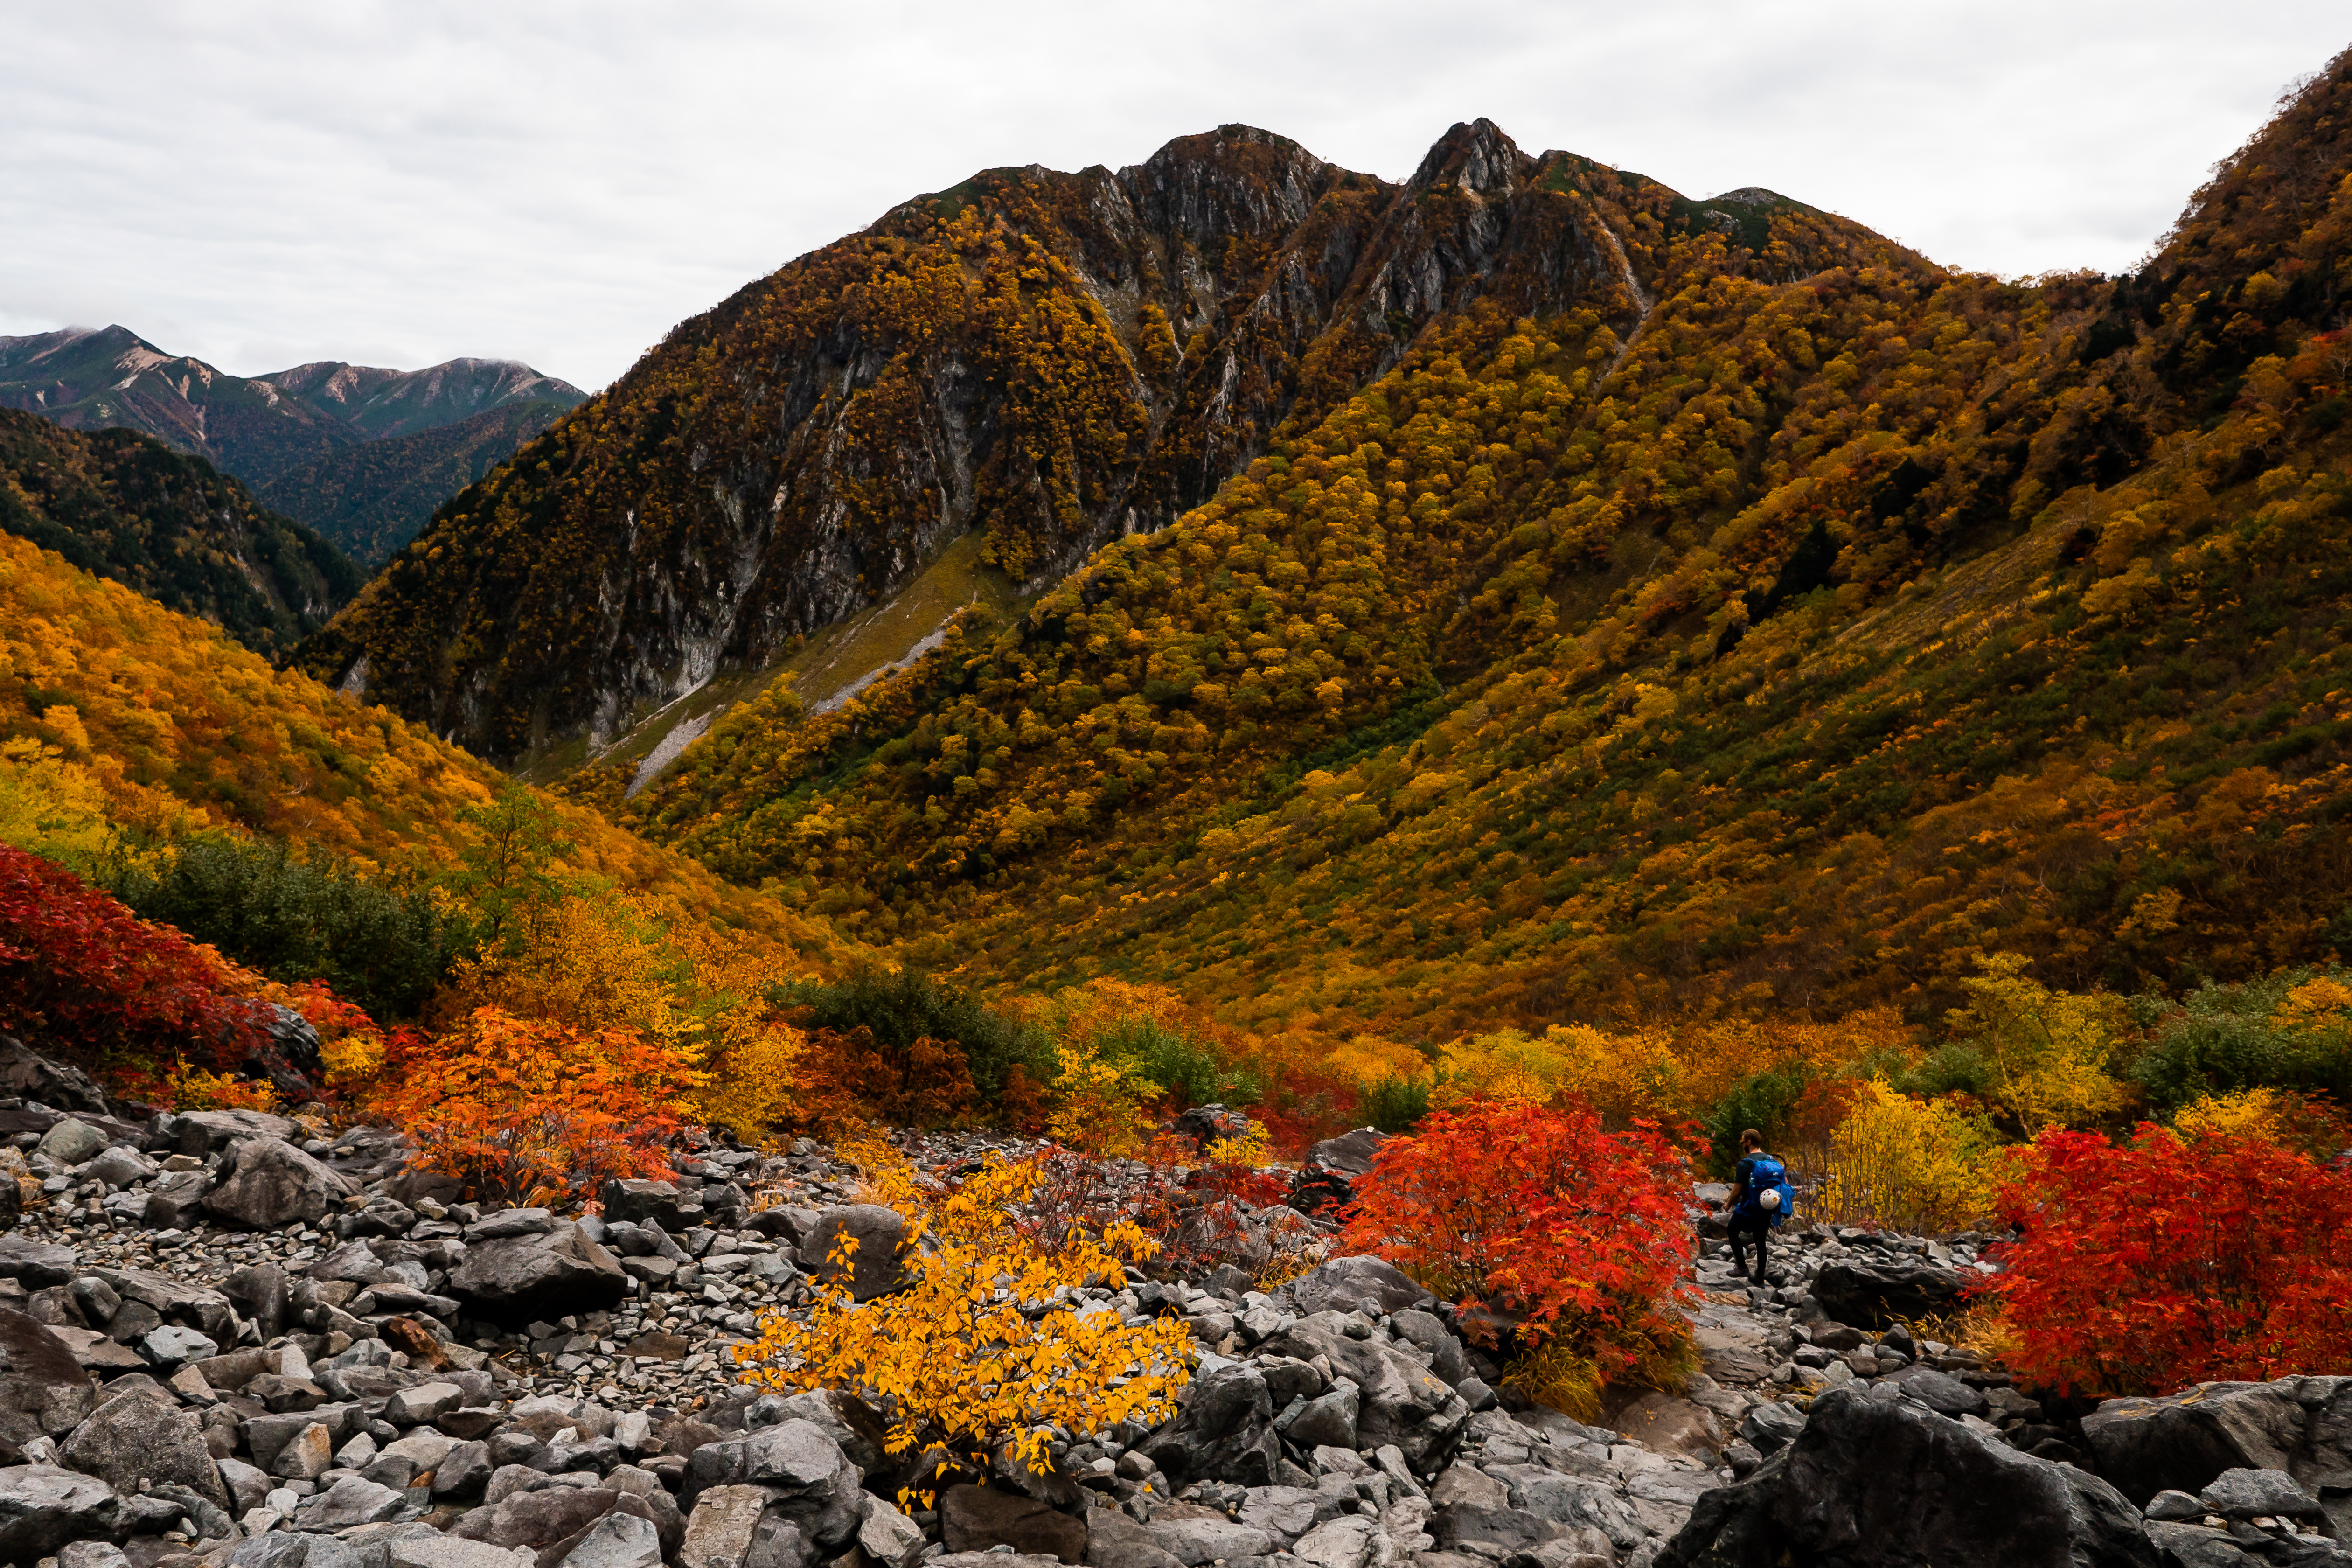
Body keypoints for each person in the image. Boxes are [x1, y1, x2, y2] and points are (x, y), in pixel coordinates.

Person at [1727, 1128, 1778, 1282]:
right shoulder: (1772, 1161)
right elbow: (1784, 1184)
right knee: (1760, 1241)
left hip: (1748, 1208)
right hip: (1766, 1208)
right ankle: (1760, 1277)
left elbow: (1737, 1191)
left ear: (1749, 1142)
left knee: (1732, 1231)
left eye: (1743, 1140)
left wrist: (1728, 1204)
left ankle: (1742, 1268)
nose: (1742, 1143)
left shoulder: (1745, 1163)